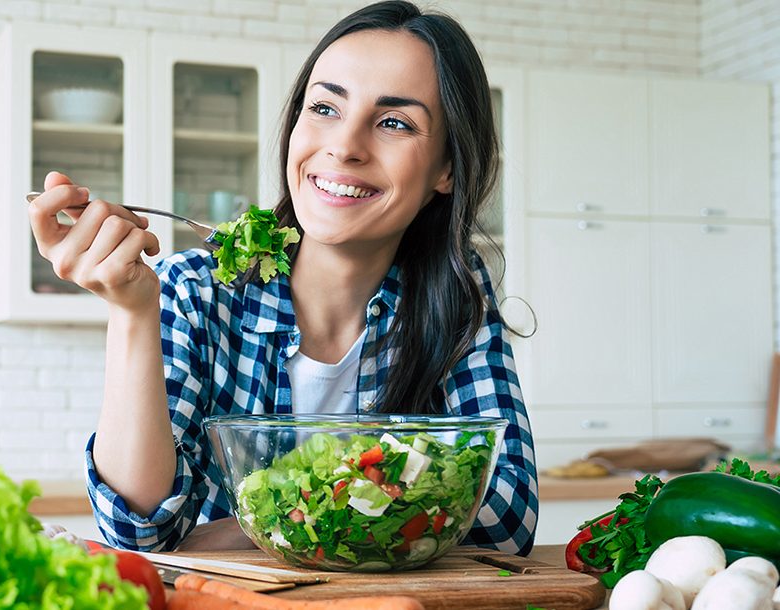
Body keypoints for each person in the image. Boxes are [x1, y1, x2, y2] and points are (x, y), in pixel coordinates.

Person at [27, 0, 538, 556]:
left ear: (447, 168)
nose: (344, 146)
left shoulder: (457, 294)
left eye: (394, 122)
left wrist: (253, 526)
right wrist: (130, 312)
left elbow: (506, 518)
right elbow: (141, 530)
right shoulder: (195, 291)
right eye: (324, 108)